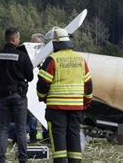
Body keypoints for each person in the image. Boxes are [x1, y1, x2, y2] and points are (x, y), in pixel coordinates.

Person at [37, 27, 93, 162]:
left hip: (56, 108)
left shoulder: (52, 59)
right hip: (76, 108)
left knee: (58, 138)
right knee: (74, 136)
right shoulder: (80, 60)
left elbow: (43, 84)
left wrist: (42, 97)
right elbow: (89, 85)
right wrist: (85, 102)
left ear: (55, 43)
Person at [0, 27, 33, 163]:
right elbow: (30, 77)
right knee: (21, 130)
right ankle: (23, 158)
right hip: (18, 96)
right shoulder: (23, 56)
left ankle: (1, 159)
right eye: (18, 38)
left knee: (3, 129)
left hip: (3, 96)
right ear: (15, 39)